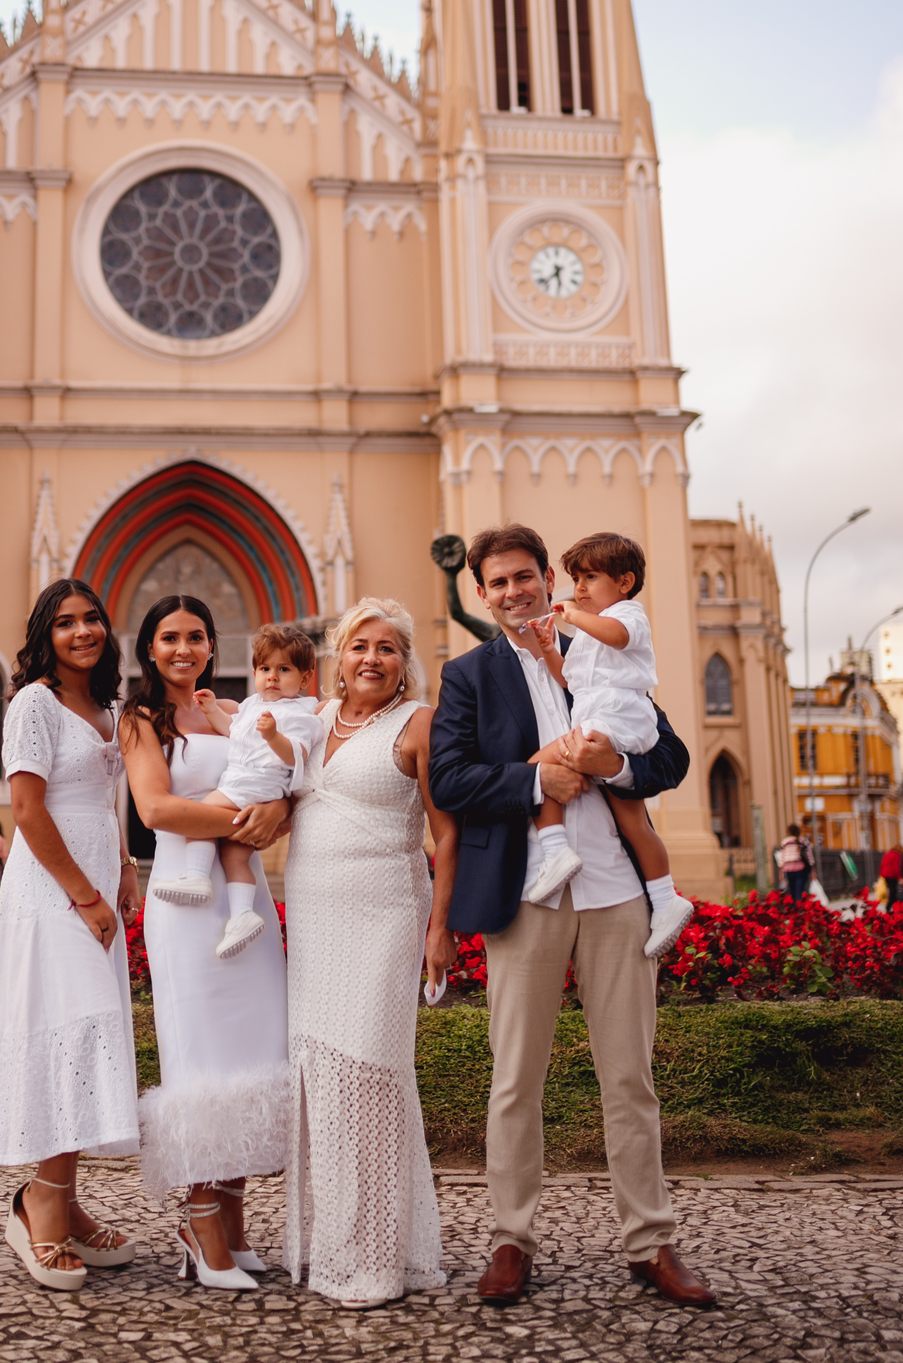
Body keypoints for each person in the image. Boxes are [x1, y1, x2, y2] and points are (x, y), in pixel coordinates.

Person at [427, 524, 715, 1310]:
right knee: (515, 1078)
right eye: (498, 583)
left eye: (526, 576)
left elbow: (669, 757)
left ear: (547, 577)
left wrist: (612, 765)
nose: (514, 591)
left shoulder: (602, 651)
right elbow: (450, 779)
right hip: (528, 893)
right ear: (482, 594)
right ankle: (512, 1239)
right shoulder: (469, 675)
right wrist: (537, 783)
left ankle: (650, 1243)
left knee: (631, 1077)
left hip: (619, 890)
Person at [0, 578, 142, 1291]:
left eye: (91, 618)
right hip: (54, 889)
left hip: (98, 878)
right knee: (73, 1027)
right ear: (46, 634)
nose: (82, 631)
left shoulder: (107, 706)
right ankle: (41, 1202)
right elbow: (29, 811)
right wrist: (87, 896)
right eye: (65, 623)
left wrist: (124, 864)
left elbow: (106, 799)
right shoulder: (34, 703)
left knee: (87, 1036)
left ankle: (60, 1197)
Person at [283, 597, 458, 1308]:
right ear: (338, 654)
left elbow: (446, 835)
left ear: (404, 661)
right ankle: (337, 1246)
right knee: (325, 1081)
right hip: (316, 916)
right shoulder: (311, 721)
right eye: (360, 646)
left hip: (385, 912)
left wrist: (439, 929)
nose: (372, 659)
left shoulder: (419, 725)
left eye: (387, 648)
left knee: (372, 1079)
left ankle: (381, 1256)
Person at [121, 594, 291, 1293]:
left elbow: (282, 782)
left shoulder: (233, 713)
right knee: (200, 1054)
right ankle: (197, 1220)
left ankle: (234, 1222)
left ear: (212, 646)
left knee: (254, 1053)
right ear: (150, 649)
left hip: (246, 900)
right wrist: (246, 816)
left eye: (195, 637)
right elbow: (156, 809)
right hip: (184, 906)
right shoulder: (138, 720)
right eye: (169, 638)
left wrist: (275, 810)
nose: (183, 649)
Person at [527, 533, 694, 958]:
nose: (579, 588)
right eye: (576, 579)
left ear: (625, 581)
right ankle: (665, 899)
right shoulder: (587, 632)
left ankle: (555, 849)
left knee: (537, 767)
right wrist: (550, 650)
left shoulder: (628, 615)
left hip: (617, 719)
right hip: (600, 716)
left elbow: (618, 636)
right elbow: (573, 680)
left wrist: (571, 615)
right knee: (633, 823)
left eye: (590, 577)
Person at [154, 623, 322, 959]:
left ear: (305, 678)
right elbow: (233, 731)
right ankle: (243, 914)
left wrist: (274, 736)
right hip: (247, 785)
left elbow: (296, 755)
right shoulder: (251, 706)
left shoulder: (300, 713)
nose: (272, 677)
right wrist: (213, 709)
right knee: (235, 853)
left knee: (200, 817)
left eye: (283, 669)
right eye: (264, 669)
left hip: (254, 784)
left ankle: (198, 875)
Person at [776, 824, 811, 902]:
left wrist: (781, 871)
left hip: (788, 869)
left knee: (792, 891)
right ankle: (800, 907)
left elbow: (781, 857)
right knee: (800, 890)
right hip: (800, 869)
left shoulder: (785, 842)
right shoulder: (803, 841)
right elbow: (809, 856)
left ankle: (794, 908)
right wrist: (813, 870)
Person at [880, 843, 902, 909]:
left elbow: (882, 865)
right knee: (894, 891)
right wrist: (899, 877)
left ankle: (893, 906)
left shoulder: (887, 854)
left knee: (892, 890)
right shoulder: (896, 855)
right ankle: (890, 906)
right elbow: (896, 867)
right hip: (892, 875)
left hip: (885, 875)